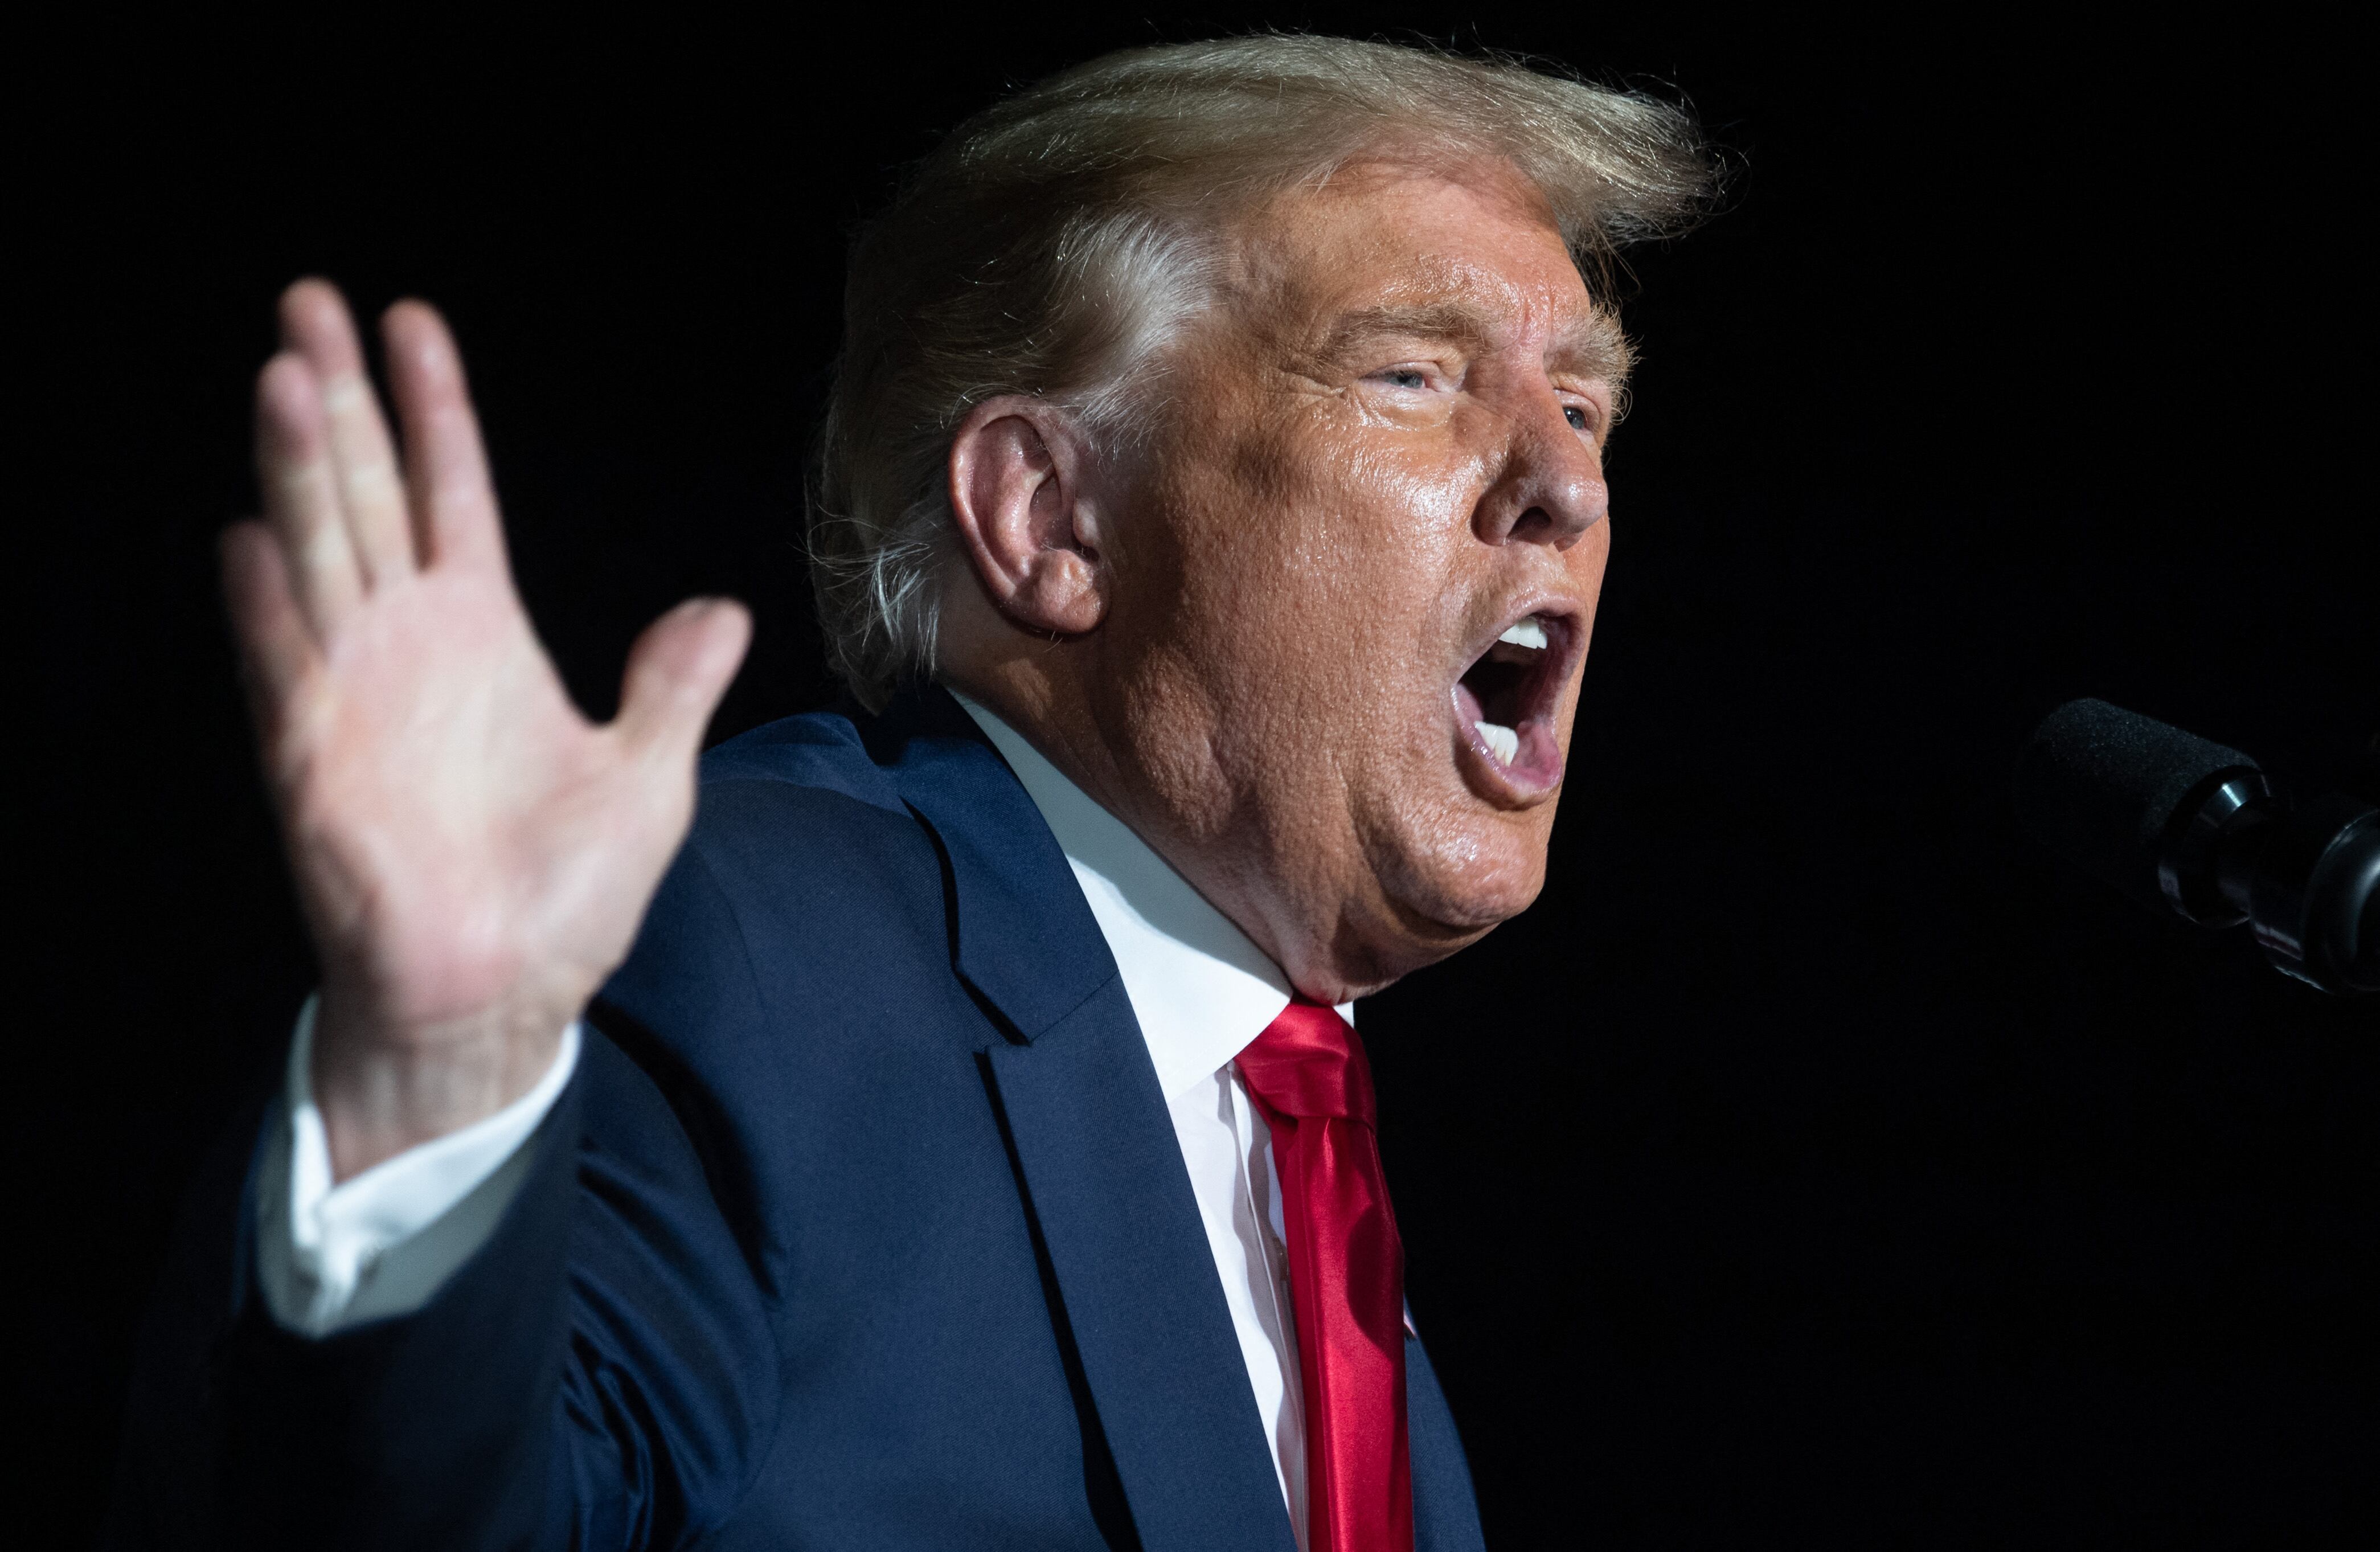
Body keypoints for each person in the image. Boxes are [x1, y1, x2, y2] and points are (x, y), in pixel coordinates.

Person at [106, 35, 1713, 1551]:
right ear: (1049, 518)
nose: (1565, 483)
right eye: (1413, 376)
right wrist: (439, 1089)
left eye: (1583, 406)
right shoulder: (742, 942)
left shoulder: (1305, 1139)